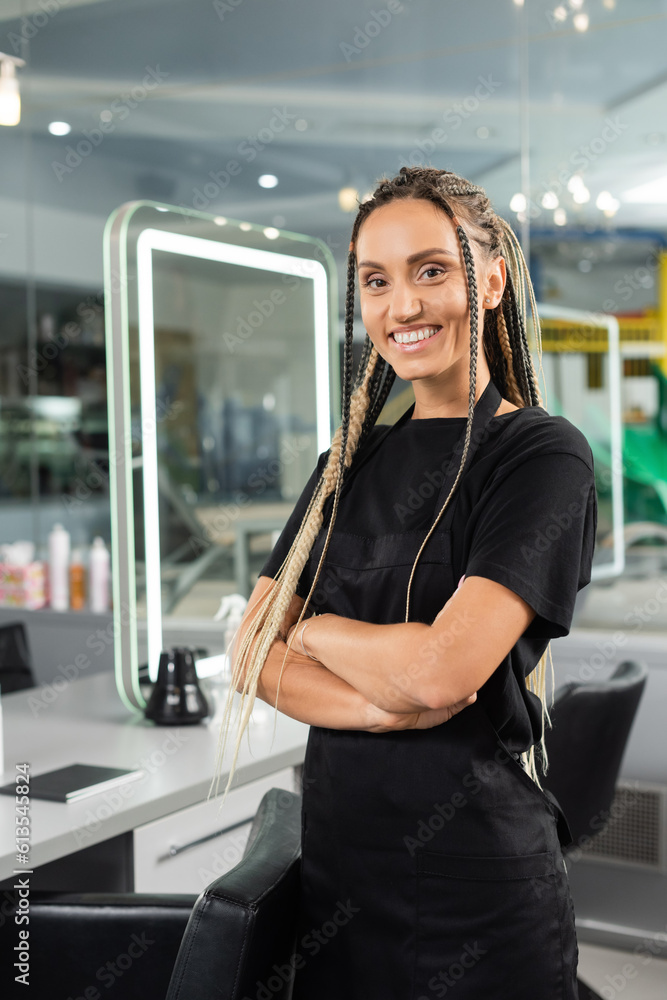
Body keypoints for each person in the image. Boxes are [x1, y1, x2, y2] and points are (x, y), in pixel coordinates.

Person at [215, 166, 598, 999]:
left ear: (490, 280)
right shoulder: (347, 463)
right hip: (340, 876)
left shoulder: (540, 456)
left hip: (478, 885)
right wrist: (375, 707)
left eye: (431, 270)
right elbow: (248, 653)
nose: (403, 306)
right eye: (376, 281)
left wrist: (310, 631)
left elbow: (440, 674)